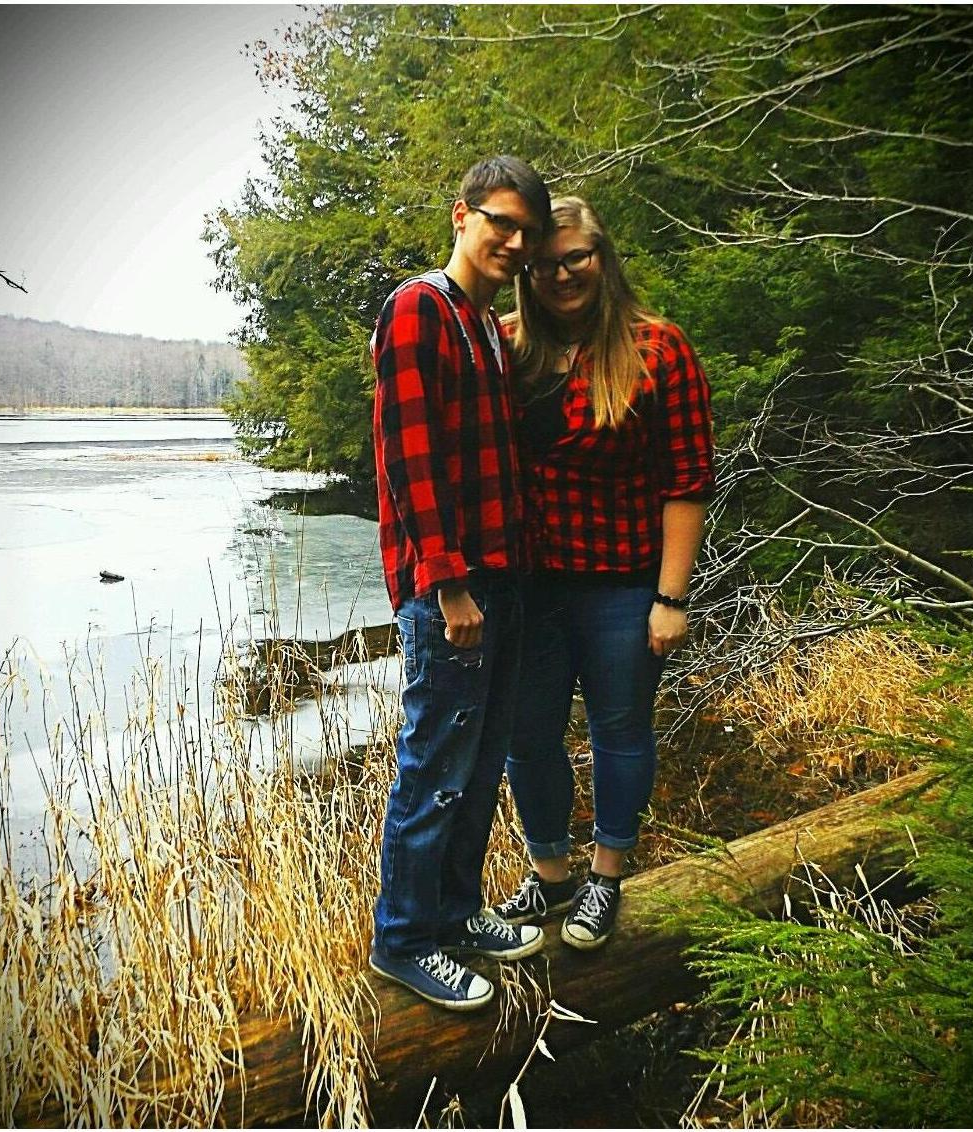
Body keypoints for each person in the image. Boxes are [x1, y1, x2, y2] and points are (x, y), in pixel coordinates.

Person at [494, 196, 715, 950]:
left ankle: (607, 874)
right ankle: (551, 874)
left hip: (624, 586)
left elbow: (687, 480)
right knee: (528, 736)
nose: (562, 275)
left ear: (602, 257)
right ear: (527, 272)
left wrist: (670, 597)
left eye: (576, 258)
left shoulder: (658, 348)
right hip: (530, 588)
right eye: (545, 264)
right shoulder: (506, 346)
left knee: (620, 730)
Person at [369, 156, 552, 1010]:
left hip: (502, 582)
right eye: (500, 223)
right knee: (435, 764)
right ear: (462, 216)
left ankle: (455, 913)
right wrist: (447, 587)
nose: (514, 242)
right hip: (454, 591)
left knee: (479, 768)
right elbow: (411, 460)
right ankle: (403, 940)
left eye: (526, 231)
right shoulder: (419, 309)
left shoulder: (485, 326)